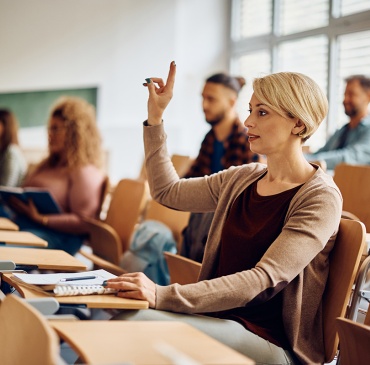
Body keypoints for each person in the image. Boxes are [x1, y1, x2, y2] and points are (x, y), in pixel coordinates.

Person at [104, 62, 342, 364]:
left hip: (271, 342)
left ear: (298, 123)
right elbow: (167, 191)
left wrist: (162, 295)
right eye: (250, 110)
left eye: (262, 112)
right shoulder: (244, 178)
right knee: (125, 321)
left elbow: (263, 279)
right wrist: (156, 118)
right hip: (220, 320)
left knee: (130, 326)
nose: (247, 122)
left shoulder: (320, 197)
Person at [1, 97, 106, 256]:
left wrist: (41, 218)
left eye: (56, 129)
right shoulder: (49, 163)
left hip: (58, 237)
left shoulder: (83, 170)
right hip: (26, 225)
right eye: (49, 129)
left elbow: (85, 222)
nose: (50, 135)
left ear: (74, 131)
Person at [181, 73, 262, 262]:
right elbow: (190, 182)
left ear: (231, 102)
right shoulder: (209, 139)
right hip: (203, 224)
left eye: (211, 99)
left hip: (227, 226)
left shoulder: (247, 142)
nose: (204, 105)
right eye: (202, 97)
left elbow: (244, 199)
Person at [306, 74, 370, 170]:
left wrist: (307, 161)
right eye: (345, 94)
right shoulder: (342, 131)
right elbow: (321, 153)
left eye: (351, 94)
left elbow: (349, 157)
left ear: (368, 96)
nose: (345, 99)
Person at [0, 109, 28, 187]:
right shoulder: (3, 152)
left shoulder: (12, 152)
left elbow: (6, 188)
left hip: (10, 198)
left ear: (6, 126)